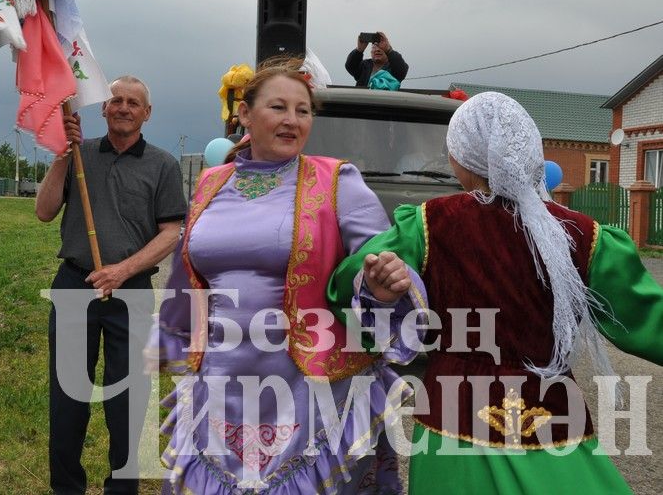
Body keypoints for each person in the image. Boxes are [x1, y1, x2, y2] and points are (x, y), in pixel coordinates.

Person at [328, 91, 663, 494]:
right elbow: (649, 318)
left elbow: (347, 283)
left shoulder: (428, 224)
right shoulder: (584, 236)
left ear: (460, 158)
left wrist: (382, 288)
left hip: (453, 422)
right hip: (551, 418)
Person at [147, 58, 424, 494]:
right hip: (221, 380)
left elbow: (375, 258)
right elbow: (188, 268)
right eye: (278, 107)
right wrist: (176, 339)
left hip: (307, 387)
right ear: (244, 114)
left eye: (303, 110)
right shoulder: (211, 183)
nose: (293, 120)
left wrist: (381, 283)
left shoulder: (337, 181)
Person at [36, 75, 188, 495]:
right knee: (68, 398)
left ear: (147, 113)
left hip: (130, 294)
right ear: (103, 108)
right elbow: (44, 211)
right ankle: (67, 487)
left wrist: (122, 270)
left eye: (133, 102)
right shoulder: (79, 156)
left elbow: (170, 233)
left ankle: (121, 489)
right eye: (115, 100)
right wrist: (61, 157)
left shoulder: (163, 165)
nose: (123, 107)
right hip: (74, 288)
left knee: (128, 400)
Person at [345, 31, 409, 88]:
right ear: (371, 51)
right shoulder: (364, 65)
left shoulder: (393, 66)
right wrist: (359, 50)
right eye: (374, 47)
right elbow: (350, 66)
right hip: (363, 100)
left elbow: (402, 70)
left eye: (381, 47)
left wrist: (389, 50)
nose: (377, 50)